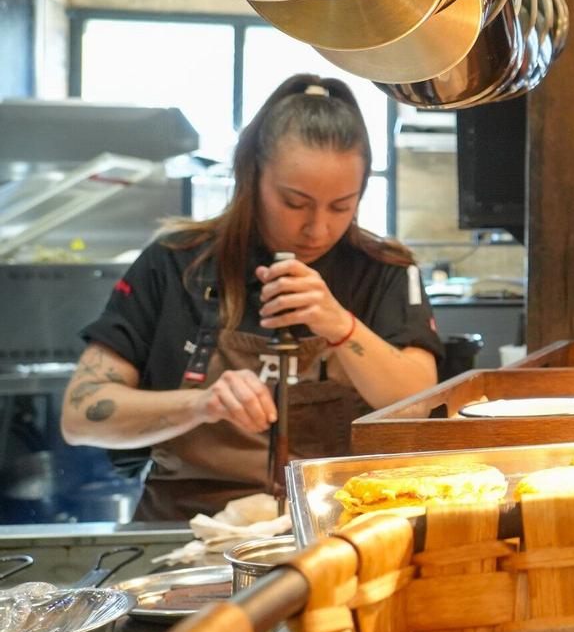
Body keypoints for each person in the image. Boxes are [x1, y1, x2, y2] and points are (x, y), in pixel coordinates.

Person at [62, 76, 442, 520]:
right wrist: (199, 405)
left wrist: (341, 326)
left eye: (342, 206)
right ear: (252, 176)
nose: (317, 229)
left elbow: (419, 407)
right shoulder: (175, 263)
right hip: (185, 531)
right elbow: (79, 416)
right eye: (294, 202)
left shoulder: (385, 270)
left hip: (339, 527)